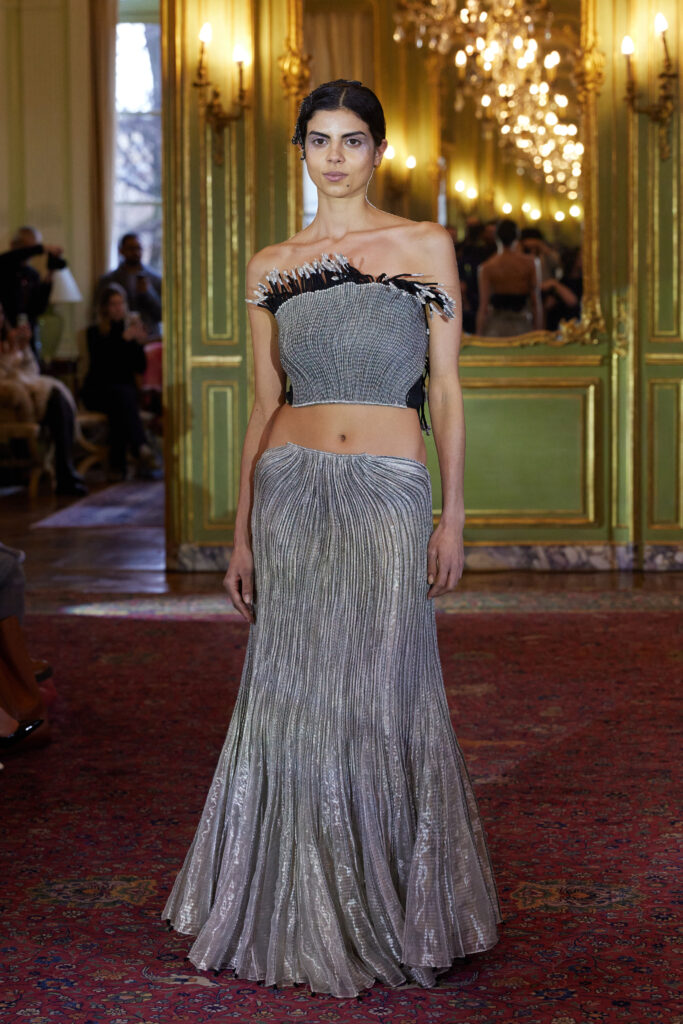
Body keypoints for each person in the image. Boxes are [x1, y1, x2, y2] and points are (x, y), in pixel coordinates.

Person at [162, 79, 502, 998]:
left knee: (384, 686)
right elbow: (263, 404)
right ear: (302, 151)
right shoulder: (271, 264)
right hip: (290, 491)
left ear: (378, 151)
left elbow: (445, 389)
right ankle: (293, 900)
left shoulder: (425, 245)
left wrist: (452, 513)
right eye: (320, 140)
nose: (336, 156)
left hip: (389, 490)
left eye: (353, 140)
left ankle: (389, 903)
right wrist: (239, 535)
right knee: (292, 693)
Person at [0, 301, 87, 495]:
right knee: (54, 400)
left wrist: (23, 348)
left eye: (0, 313)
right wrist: (10, 357)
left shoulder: (9, 341)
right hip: (14, 401)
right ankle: (65, 471)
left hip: (33, 391)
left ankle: (64, 469)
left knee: (57, 397)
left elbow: (33, 371)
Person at [82, 284, 156, 480]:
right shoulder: (94, 332)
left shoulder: (130, 332)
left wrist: (139, 344)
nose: (118, 308)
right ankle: (140, 447)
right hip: (97, 391)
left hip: (122, 395)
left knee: (121, 402)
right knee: (121, 397)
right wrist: (123, 339)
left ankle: (119, 467)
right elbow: (102, 366)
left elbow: (139, 367)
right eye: (113, 304)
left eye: (121, 303)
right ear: (105, 307)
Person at [0, 226, 68, 359]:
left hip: (27, 336)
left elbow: (38, 308)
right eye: (28, 248)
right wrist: (43, 248)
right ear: (14, 245)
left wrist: (50, 274)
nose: (31, 253)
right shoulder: (3, 265)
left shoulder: (32, 274)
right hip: (4, 337)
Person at [476, 218, 542, 336]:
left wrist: (479, 336)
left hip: (495, 328)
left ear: (496, 237)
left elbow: (483, 307)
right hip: (522, 326)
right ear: (517, 237)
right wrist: (538, 333)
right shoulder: (531, 263)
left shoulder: (487, 267)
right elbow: (536, 303)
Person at [96, 233, 163, 339]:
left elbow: (162, 315)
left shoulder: (155, 279)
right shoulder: (108, 280)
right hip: (117, 338)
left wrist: (147, 292)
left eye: (138, 248)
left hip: (149, 338)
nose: (136, 252)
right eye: (131, 248)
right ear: (121, 250)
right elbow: (98, 311)